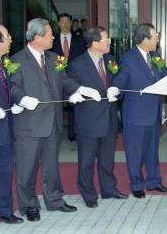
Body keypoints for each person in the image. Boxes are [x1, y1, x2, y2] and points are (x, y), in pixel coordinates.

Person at [10, 18, 101, 221]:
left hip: (53, 123)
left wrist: (79, 90)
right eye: (50, 33)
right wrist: (22, 99)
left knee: (51, 166)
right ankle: (29, 205)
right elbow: (13, 87)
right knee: (27, 169)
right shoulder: (16, 60)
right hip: (29, 125)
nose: (54, 36)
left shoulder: (54, 58)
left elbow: (65, 81)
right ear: (36, 37)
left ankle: (54, 200)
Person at [66, 27, 128, 208]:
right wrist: (78, 92)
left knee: (107, 159)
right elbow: (69, 86)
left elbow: (118, 79)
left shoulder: (109, 60)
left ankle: (109, 189)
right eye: (106, 39)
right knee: (86, 161)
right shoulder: (77, 64)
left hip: (109, 118)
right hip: (88, 121)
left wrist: (116, 89)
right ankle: (88, 194)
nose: (109, 42)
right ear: (94, 43)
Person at [113, 23, 167, 198]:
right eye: (155, 37)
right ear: (145, 39)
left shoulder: (156, 57)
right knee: (135, 152)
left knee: (152, 150)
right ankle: (137, 184)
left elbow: (165, 75)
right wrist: (115, 89)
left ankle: (154, 181)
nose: (157, 40)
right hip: (135, 114)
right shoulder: (128, 58)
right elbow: (121, 78)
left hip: (153, 112)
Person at [0, 24, 24, 233]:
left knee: (2, 172)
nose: (11, 39)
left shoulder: (3, 63)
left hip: (4, 128)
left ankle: (2, 210)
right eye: (8, 36)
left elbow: (6, 90)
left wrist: (14, 104)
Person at [52, 13, 86, 142]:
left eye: (67, 22)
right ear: (58, 24)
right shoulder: (52, 40)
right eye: (62, 22)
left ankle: (73, 133)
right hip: (56, 77)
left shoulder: (80, 40)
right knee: (56, 105)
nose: (65, 24)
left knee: (74, 105)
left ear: (71, 23)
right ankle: (55, 133)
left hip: (74, 77)